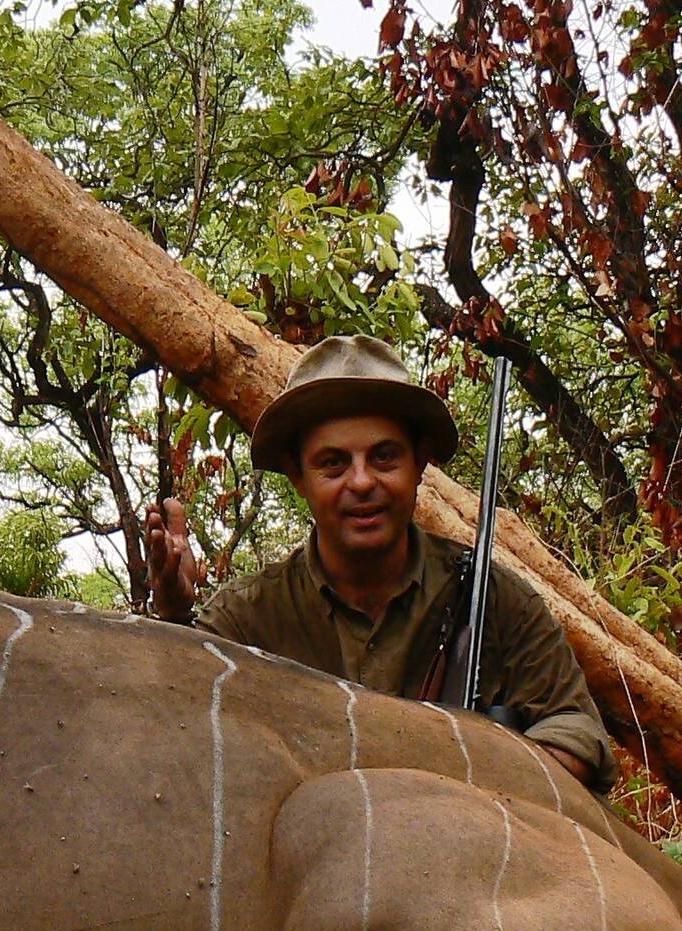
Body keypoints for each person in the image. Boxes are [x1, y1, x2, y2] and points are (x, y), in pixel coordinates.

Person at [142, 335, 615, 791]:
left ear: (420, 464)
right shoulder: (248, 617)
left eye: (384, 457)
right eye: (333, 463)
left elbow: (576, 730)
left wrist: (484, 774)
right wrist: (174, 617)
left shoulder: (494, 601)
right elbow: (176, 723)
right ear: (298, 477)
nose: (362, 482)